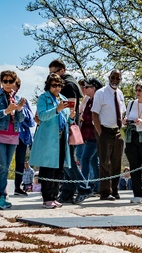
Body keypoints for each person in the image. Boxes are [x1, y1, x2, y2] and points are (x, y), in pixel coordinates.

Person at [49, 59, 91, 204]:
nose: (51, 77)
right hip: (67, 126)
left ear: (62, 71)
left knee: (68, 161)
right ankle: (67, 192)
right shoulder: (70, 83)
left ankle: (84, 187)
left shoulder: (68, 85)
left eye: (54, 73)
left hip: (67, 127)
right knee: (65, 161)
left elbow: (70, 107)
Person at [0, 69, 27, 210]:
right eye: (5, 81)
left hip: (13, 135)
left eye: (11, 81)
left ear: (15, 82)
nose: (8, 84)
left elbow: (21, 120)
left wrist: (20, 109)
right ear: (1, 82)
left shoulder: (18, 97)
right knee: (2, 166)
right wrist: (6, 111)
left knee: (6, 167)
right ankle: (1, 196)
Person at [30, 73, 72, 208]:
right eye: (54, 85)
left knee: (59, 169)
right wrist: (57, 109)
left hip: (61, 138)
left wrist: (71, 116)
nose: (57, 88)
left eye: (59, 85)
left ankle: (54, 196)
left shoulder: (63, 98)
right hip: (48, 139)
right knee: (48, 169)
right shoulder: (43, 98)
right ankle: (47, 198)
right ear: (48, 86)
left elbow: (65, 119)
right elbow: (41, 116)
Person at [92, 70, 127, 201]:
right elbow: (94, 114)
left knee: (117, 163)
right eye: (113, 77)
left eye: (118, 78)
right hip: (104, 131)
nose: (115, 80)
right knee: (104, 163)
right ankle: (105, 192)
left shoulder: (120, 93)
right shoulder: (100, 93)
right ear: (109, 77)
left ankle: (115, 190)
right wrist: (100, 133)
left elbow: (122, 113)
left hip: (118, 131)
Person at [78, 78, 103, 195]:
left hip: (94, 135)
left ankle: (85, 186)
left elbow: (95, 117)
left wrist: (83, 117)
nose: (84, 89)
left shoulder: (97, 100)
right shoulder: (89, 100)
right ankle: (97, 186)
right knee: (93, 161)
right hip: (88, 135)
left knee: (85, 159)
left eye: (87, 87)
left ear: (94, 88)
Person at [13, 76, 34, 196]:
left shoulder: (22, 100)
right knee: (2, 161)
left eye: (14, 84)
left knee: (20, 161)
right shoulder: (0, 97)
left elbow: (31, 121)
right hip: (6, 133)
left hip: (21, 135)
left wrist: (21, 109)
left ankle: (17, 186)